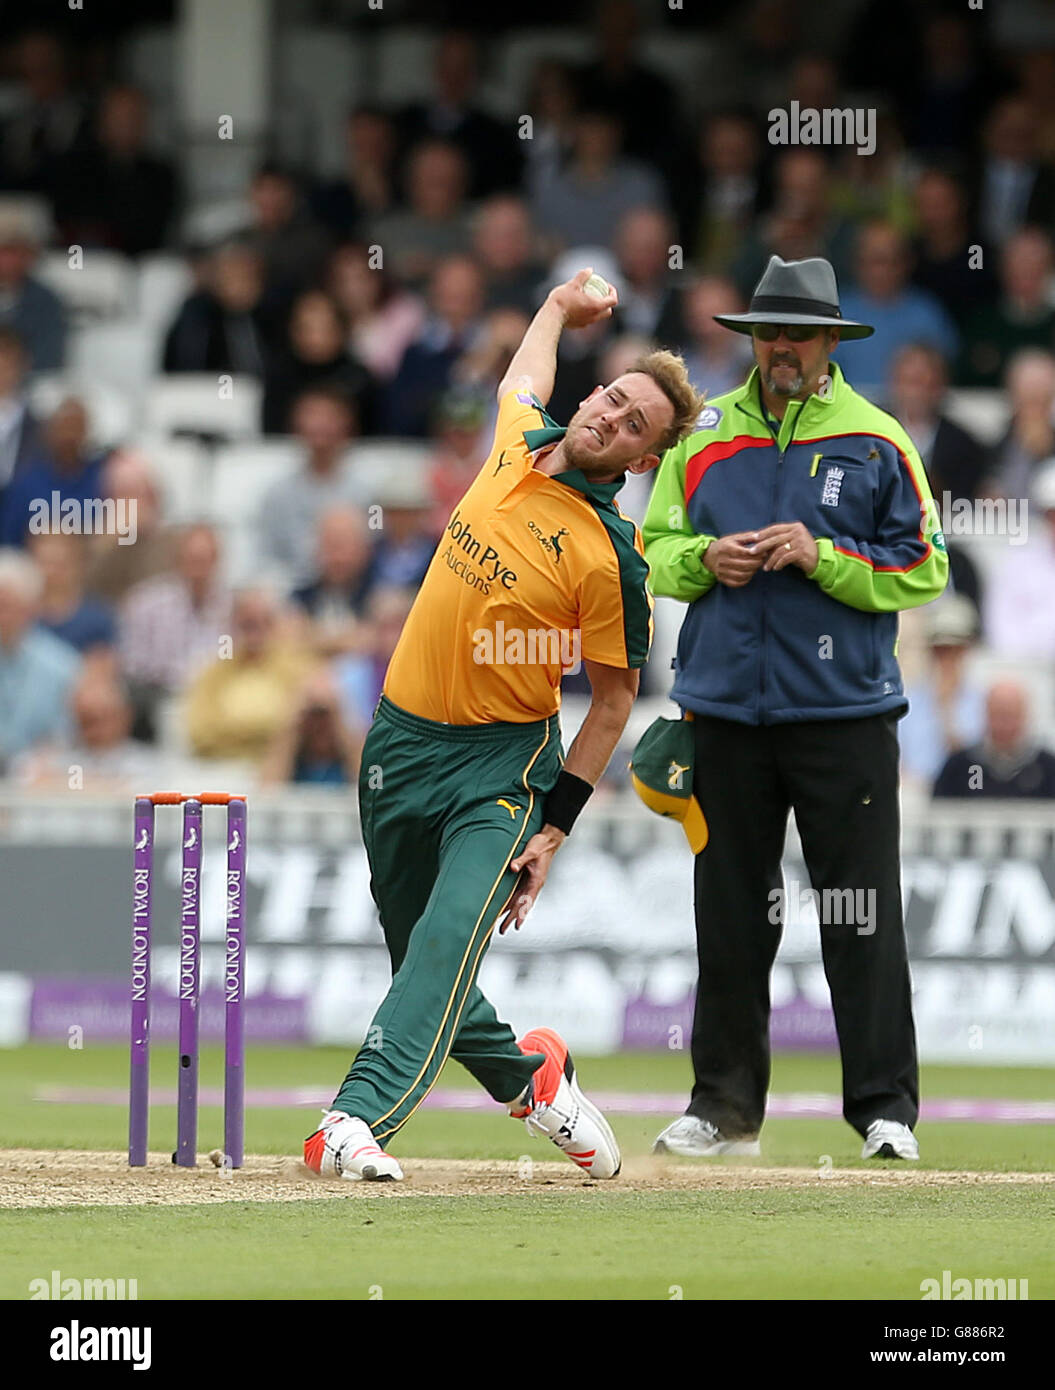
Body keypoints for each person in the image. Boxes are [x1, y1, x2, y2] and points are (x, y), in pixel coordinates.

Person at [303, 267, 705, 1183]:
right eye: (613, 397)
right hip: (398, 744)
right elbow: (520, 375)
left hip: (501, 768)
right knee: (423, 960)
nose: (609, 416)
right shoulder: (520, 439)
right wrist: (560, 306)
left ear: (641, 460)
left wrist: (554, 826)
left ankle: (353, 1119)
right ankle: (534, 1080)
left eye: (633, 423)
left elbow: (609, 705)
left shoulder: (613, 561)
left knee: (443, 943)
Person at [643, 255, 948, 1164]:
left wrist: (825, 560)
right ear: (750, 340)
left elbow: (925, 567)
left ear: (829, 344)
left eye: (799, 335)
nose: (782, 348)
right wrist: (709, 561)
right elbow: (653, 550)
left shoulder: (876, 438)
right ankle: (722, 1110)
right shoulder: (701, 436)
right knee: (731, 916)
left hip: (844, 718)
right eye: (769, 333)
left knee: (860, 916)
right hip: (726, 714)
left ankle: (884, 1112)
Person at [933, 681, 1055, 800]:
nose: (1004, 724)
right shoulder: (958, 767)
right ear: (986, 714)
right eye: (997, 714)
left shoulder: (1048, 768)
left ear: (1024, 716)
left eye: (1010, 715)